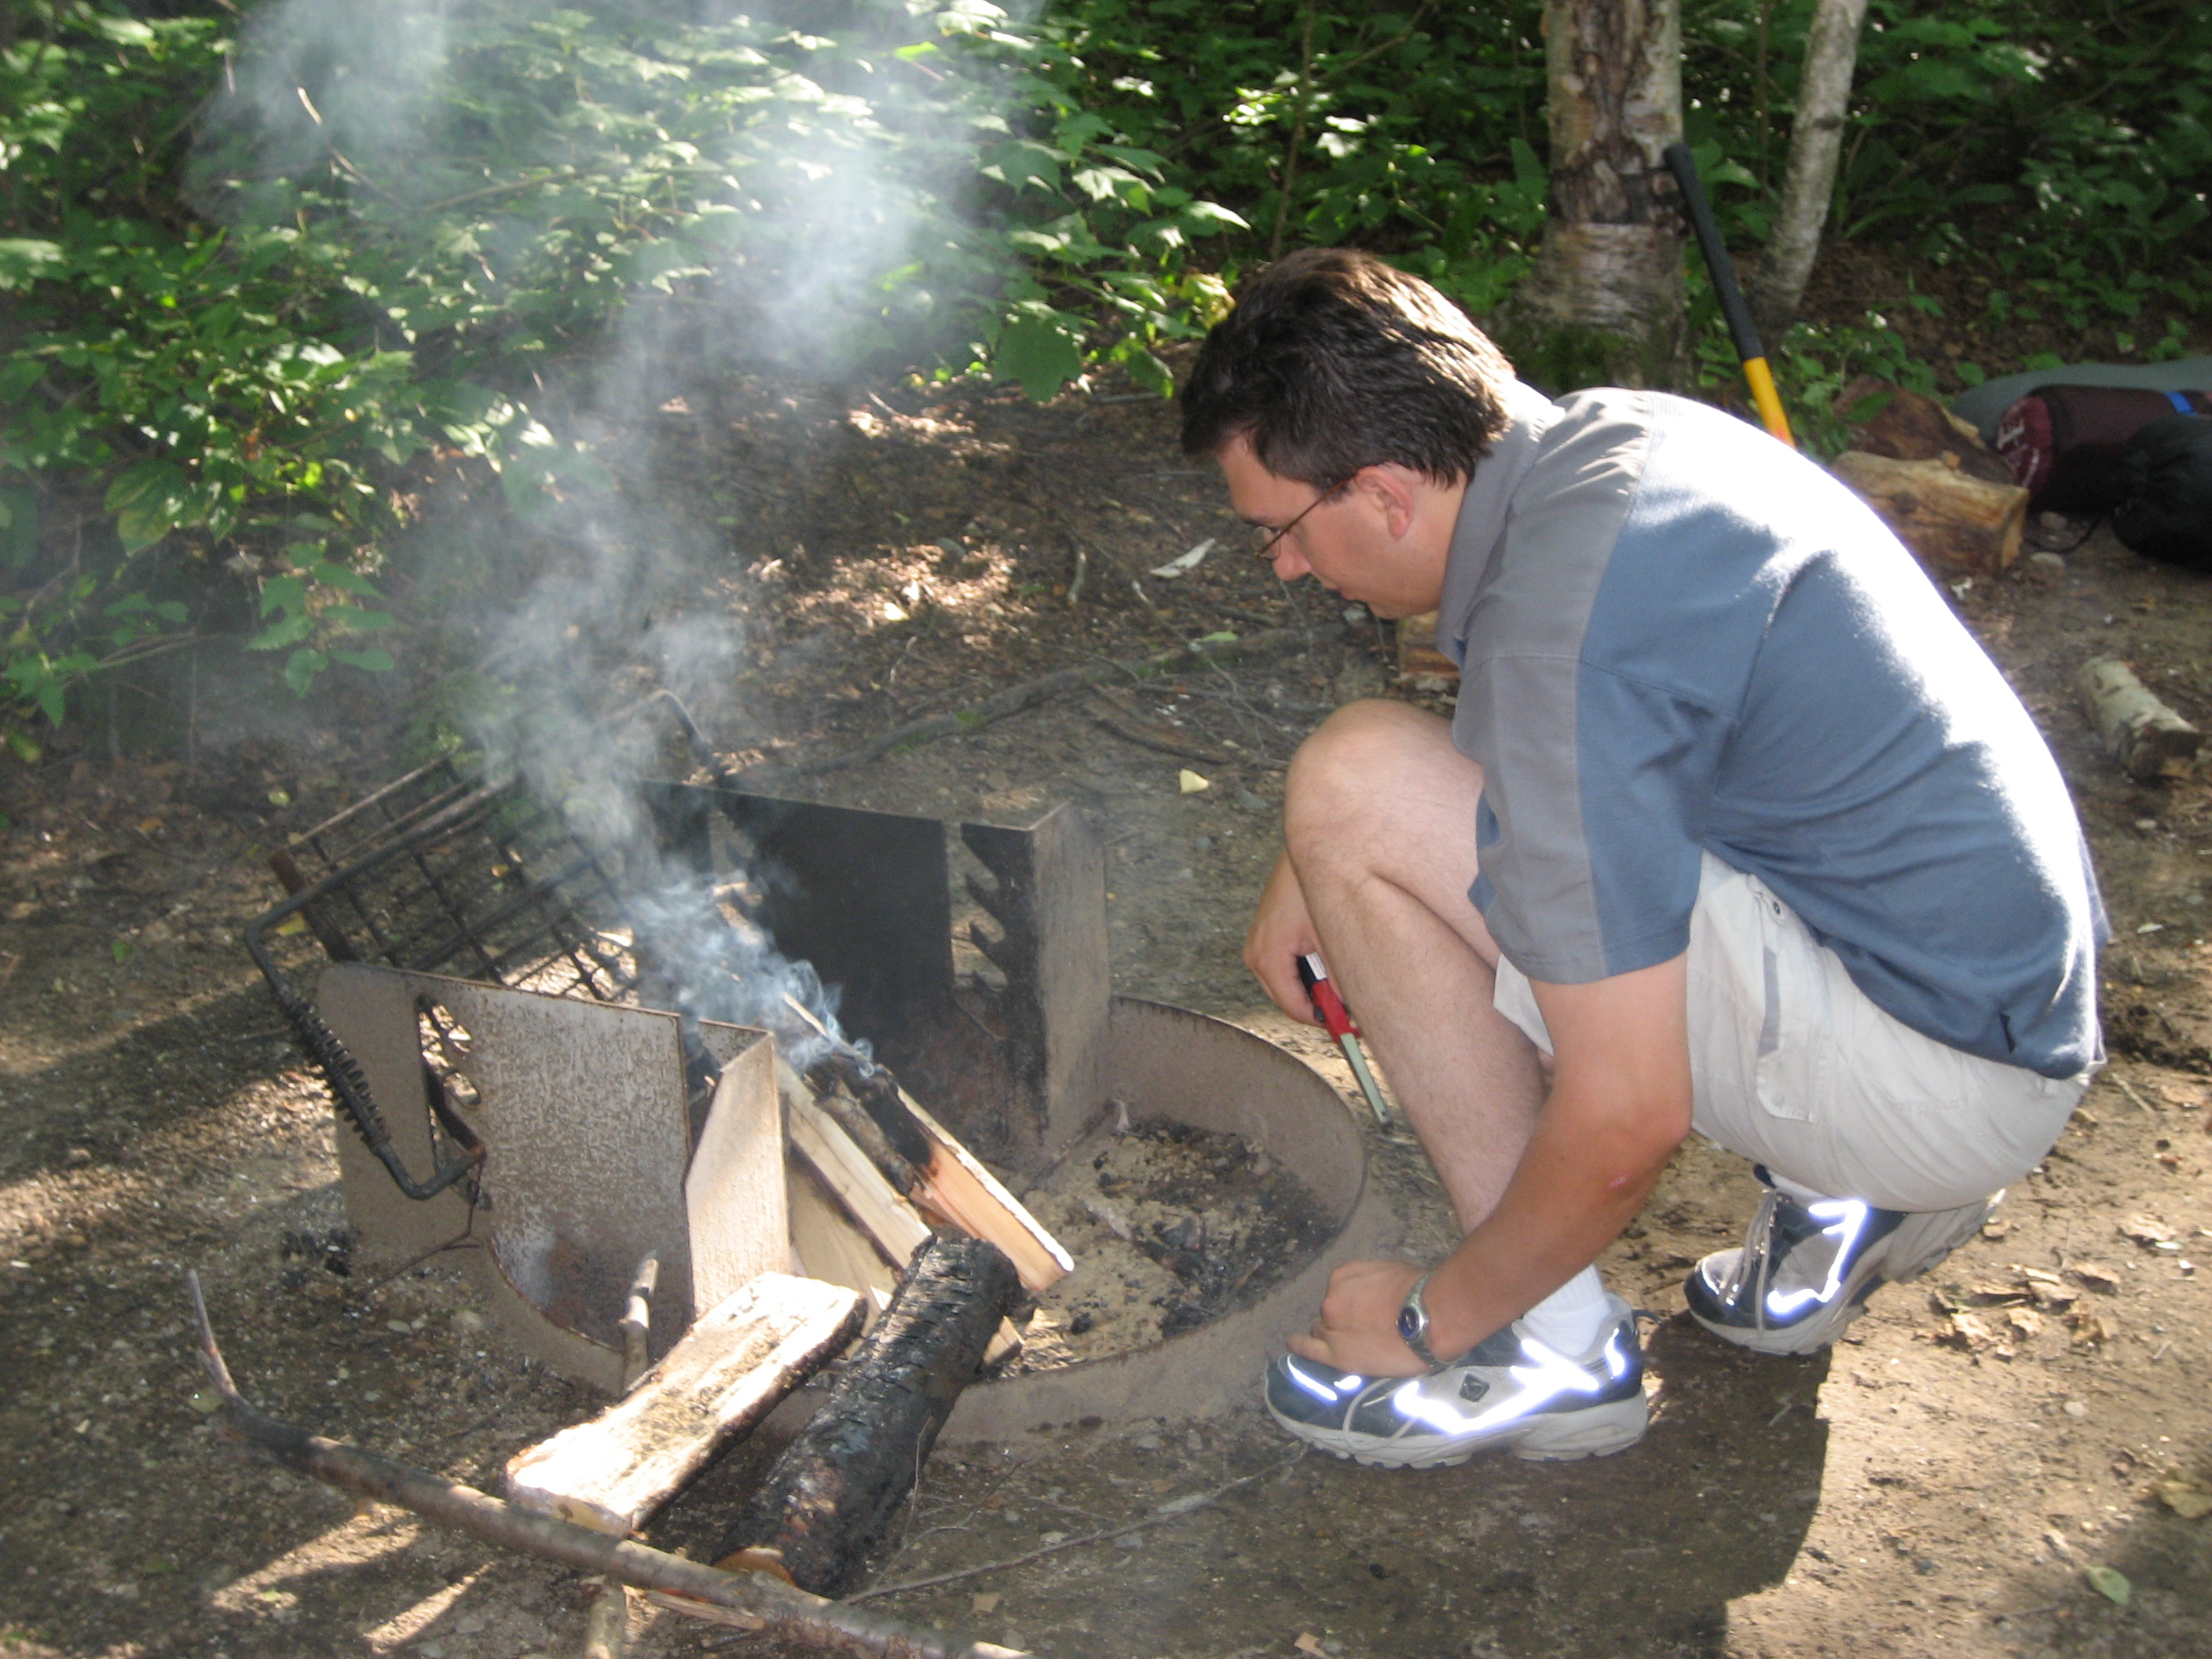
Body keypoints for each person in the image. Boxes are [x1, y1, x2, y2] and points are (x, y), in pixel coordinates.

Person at [1177, 248, 2104, 1469]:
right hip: (1989, 992)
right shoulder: (1615, 444)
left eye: (1281, 532)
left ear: (1387, 494)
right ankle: (1847, 1191)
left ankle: (1549, 1351)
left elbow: (1629, 1114)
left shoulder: (1563, 633)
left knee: (1354, 777)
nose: (1287, 567)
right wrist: (1313, 858)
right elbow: (1602, 739)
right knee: (1362, 799)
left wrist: (1429, 1317)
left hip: (1936, 1072)